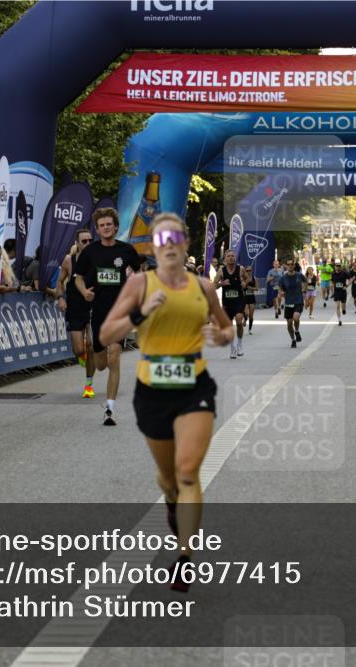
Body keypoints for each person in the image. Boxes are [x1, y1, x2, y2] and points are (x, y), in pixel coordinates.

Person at [98, 213, 233, 591]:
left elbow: (226, 327)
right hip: (152, 390)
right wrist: (143, 311)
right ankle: (173, 501)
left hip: (194, 386)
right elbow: (108, 331)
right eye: (161, 238)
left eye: (176, 236)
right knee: (169, 478)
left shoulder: (203, 288)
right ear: (155, 248)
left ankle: (185, 558)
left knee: (188, 471)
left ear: (186, 243)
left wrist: (220, 335)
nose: (169, 243)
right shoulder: (141, 283)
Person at [74, 207, 142, 426]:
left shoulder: (126, 250)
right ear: (97, 229)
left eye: (109, 224)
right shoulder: (90, 252)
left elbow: (139, 274)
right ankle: (96, 357)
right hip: (98, 311)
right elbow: (78, 278)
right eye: (102, 225)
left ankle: (110, 409)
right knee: (102, 362)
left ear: (115, 227)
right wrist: (84, 291)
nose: (106, 228)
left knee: (115, 355)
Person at [57, 228, 97, 397]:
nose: (88, 244)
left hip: (94, 307)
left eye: (90, 241)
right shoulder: (69, 261)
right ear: (77, 243)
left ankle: (88, 386)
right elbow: (59, 281)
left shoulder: (98, 259)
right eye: (84, 241)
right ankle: (82, 358)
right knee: (79, 349)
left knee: (91, 346)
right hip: (74, 308)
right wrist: (60, 298)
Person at [215, 249, 247, 359]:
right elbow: (214, 285)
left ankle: (240, 344)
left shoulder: (241, 269)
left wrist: (244, 283)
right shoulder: (221, 271)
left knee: (239, 321)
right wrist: (221, 283)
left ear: (235, 258)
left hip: (239, 300)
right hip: (227, 302)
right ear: (225, 259)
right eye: (228, 256)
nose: (231, 258)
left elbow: (247, 279)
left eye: (233, 256)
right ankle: (232, 348)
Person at [277, 257, 307, 348]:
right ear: (286, 266)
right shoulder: (283, 278)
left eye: (291, 264)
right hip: (288, 302)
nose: (290, 266)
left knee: (296, 318)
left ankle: (297, 331)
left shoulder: (299, 275)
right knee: (289, 323)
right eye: (288, 264)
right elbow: (280, 289)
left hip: (298, 300)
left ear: (294, 265)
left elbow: (305, 281)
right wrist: (281, 294)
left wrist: (304, 291)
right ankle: (293, 339)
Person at [330, 259, 349, 326]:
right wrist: (332, 291)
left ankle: (344, 309)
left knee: (343, 306)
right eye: (337, 266)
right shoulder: (333, 274)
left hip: (343, 291)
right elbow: (332, 282)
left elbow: (350, 279)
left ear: (340, 267)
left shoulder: (344, 273)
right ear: (335, 267)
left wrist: (346, 286)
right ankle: (339, 320)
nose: (338, 267)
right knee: (337, 306)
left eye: (339, 266)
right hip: (336, 292)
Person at [242, 265, 257, 334]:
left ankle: (250, 329)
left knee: (251, 315)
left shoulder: (254, 278)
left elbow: (256, 288)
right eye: (247, 270)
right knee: (245, 313)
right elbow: (243, 287)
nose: (248, 272)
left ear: (251, 271)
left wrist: (250, 288)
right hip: (245, 298)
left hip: (251, 297)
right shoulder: (243, 279)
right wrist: (246, 282)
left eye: (249, 270)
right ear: (245, 271)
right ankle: (245, 319)